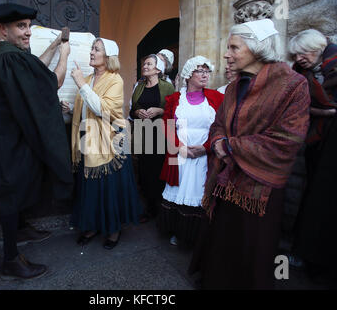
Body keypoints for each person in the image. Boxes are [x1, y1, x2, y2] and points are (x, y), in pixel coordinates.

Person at [188, 19, 310, 289]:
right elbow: (218, 124)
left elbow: (287, 140)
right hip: (226, 182)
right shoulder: (233, 87)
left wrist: (230, 146)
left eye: (234, 47)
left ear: (256, 48)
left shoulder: (293, 84)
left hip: (259, 190)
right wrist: (219, 140)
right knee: (223, 242)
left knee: (253, 247)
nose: (226, 54)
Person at [0, 3, 73, 279]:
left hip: (1, 134)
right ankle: (11, 259)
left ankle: (21, 227)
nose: (28, 32)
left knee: (19, 183)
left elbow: (32, 71)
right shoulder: (9, 58)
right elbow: (49, 82)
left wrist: (53, 45)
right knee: (10, 189)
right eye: (21, 26)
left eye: (29, 26)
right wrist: (64, 54)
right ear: (2, 28)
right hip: (8, 140)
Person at [67, 37, 143, 249]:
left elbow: (105, 110)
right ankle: (91, 226)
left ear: (107, 57)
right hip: (88, 140)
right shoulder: (90, 78)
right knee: (91, 189)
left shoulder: (115, 80)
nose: (91, 52)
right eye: (92, 48)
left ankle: (113, 230)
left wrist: (81, 84)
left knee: (109, 189)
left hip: (110, 144)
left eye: (96, 49)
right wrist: (72, 110)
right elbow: (88, 108)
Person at [157, 56, 224, 247]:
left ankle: (198, 236)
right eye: (200, 71)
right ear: (188, 75)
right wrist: (180, 147)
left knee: (198, 193)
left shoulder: (217, 98)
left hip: (204, 157)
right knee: (178, 192)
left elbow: (221, 127)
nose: (205, 75)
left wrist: (205, 147)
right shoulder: (174, 99)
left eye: (207, 71)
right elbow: (167, 125)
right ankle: (177, 232)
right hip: (178, 155)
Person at [288, 29, 337, 284]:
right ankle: (306, 253)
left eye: (302, 52)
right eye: (295, 54)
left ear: (318, 48)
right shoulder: (301, 73)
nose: (299, 57)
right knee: (313, 197)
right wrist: (320, 113)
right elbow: (295, 103)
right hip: (316, 144)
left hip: (332, 144)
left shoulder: (333, 66)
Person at [129, 54, 175, 222]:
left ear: (158, 69)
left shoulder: (167, 87)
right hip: (143, 131)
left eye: (149, 64)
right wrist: (137, 112)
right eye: (144, 63)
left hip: (160, 133)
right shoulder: (139, 86)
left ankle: (161, 207)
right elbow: (132, 107)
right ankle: (149, 208)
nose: (145, 66)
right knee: (144, 169)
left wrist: (160, 111)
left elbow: (173, 110)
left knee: (158, 169)